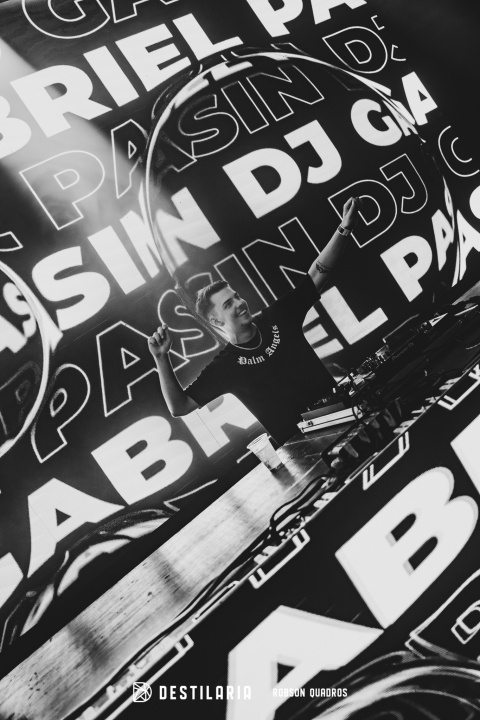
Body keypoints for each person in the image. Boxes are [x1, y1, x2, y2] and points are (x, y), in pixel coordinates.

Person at [148, 197, 360, 445]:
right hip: (304, 447)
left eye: (236, 297)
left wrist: (344, 228)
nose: (239, 303)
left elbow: (316, 275)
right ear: (215, 321)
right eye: (228, 304)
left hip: (346, 416)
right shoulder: (226, 366)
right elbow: (180, 406)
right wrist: (161, 358)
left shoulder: (276, 318)